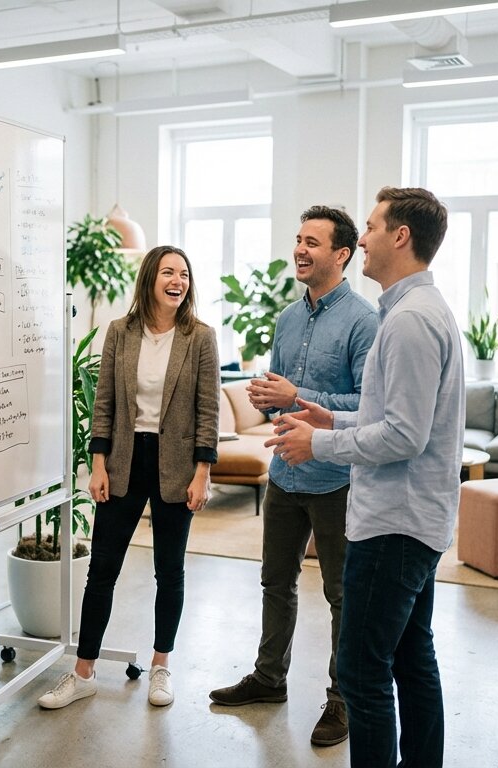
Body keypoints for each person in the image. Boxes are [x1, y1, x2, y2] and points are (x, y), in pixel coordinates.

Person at [267, 186, 460, 767]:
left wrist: (319, 440)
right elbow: (392, 414)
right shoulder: (410, 312)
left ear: (400, 236)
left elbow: (404, 435)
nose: (366, 237)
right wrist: (334, 416)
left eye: (373, 227)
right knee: (410, 658)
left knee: (361, 671)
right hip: (413, 520)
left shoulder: (408, 322)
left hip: (394, 525)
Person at [209, 206, 378, 747]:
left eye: (313, 242)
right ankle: (268, 678)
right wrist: (266, 398)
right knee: (274, 583)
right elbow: (279, 395)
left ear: (342, 254)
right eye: (298, 239)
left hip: (336, 478)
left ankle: (343, 698)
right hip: (285, 473)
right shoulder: (285, 318)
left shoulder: (363, 321)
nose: (300, 250)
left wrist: (296, 398)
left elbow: (368, 405)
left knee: (340, 594)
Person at [39, 244, 219, 711]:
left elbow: (207, 410)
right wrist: (98, 465)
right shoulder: (121, 332)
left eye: (183, 273)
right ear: (150, 279)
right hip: (122, 460)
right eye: (168, 272)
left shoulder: (200, 337)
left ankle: (161, 666)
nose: (177, 280)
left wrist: (202, 473)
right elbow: (104, 404)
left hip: (176, 466)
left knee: (169, 571)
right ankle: (83, 672)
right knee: (102, 571)